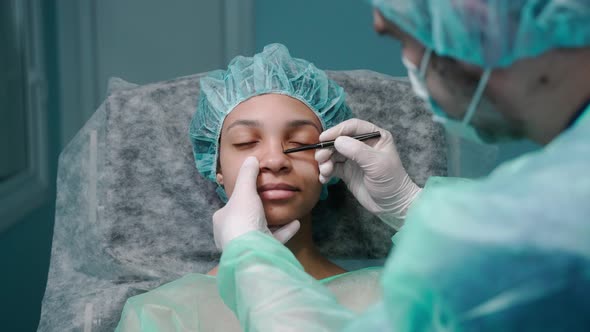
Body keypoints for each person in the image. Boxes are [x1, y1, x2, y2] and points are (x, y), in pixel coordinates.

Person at [212, 1, 590, 331]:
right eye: (246, 142)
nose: (276, 160)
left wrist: (249, 259)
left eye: (403, 36)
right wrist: (407, 203)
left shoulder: (539, 222)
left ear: (478, 19)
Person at [115, 43, 384, 332]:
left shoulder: (386, 302)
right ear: (216, 166)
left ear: (331, 158)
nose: (275, 160)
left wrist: (409, 205)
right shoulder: (161, 315)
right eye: (245, 141)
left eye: (300, 141)